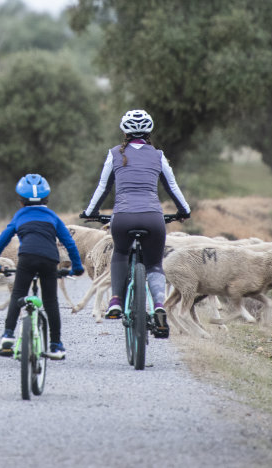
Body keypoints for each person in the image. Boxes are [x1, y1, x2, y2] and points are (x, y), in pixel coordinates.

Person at [81, 109, 190, 337]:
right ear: (150, 131)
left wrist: (91, 212)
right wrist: (184, 211)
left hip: (123, 217)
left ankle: (116, 301)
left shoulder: (114, 154)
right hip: (153, 218)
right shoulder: (158, 155)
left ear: (124, 131)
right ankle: (159, 306)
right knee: (154, 264)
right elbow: (173, 187)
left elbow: (103, 187)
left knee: (120, 253)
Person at [0, 174, 84, 360]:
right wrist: (77, 267)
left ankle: (7, 336)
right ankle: (56, 345)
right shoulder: (52, 217)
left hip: (27, 257)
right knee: (50, 301)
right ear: (46, 198)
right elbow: (69, 243)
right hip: (49, 259)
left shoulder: (19, 216)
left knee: (18, 294)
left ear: (20, 200)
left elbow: (2, 240)